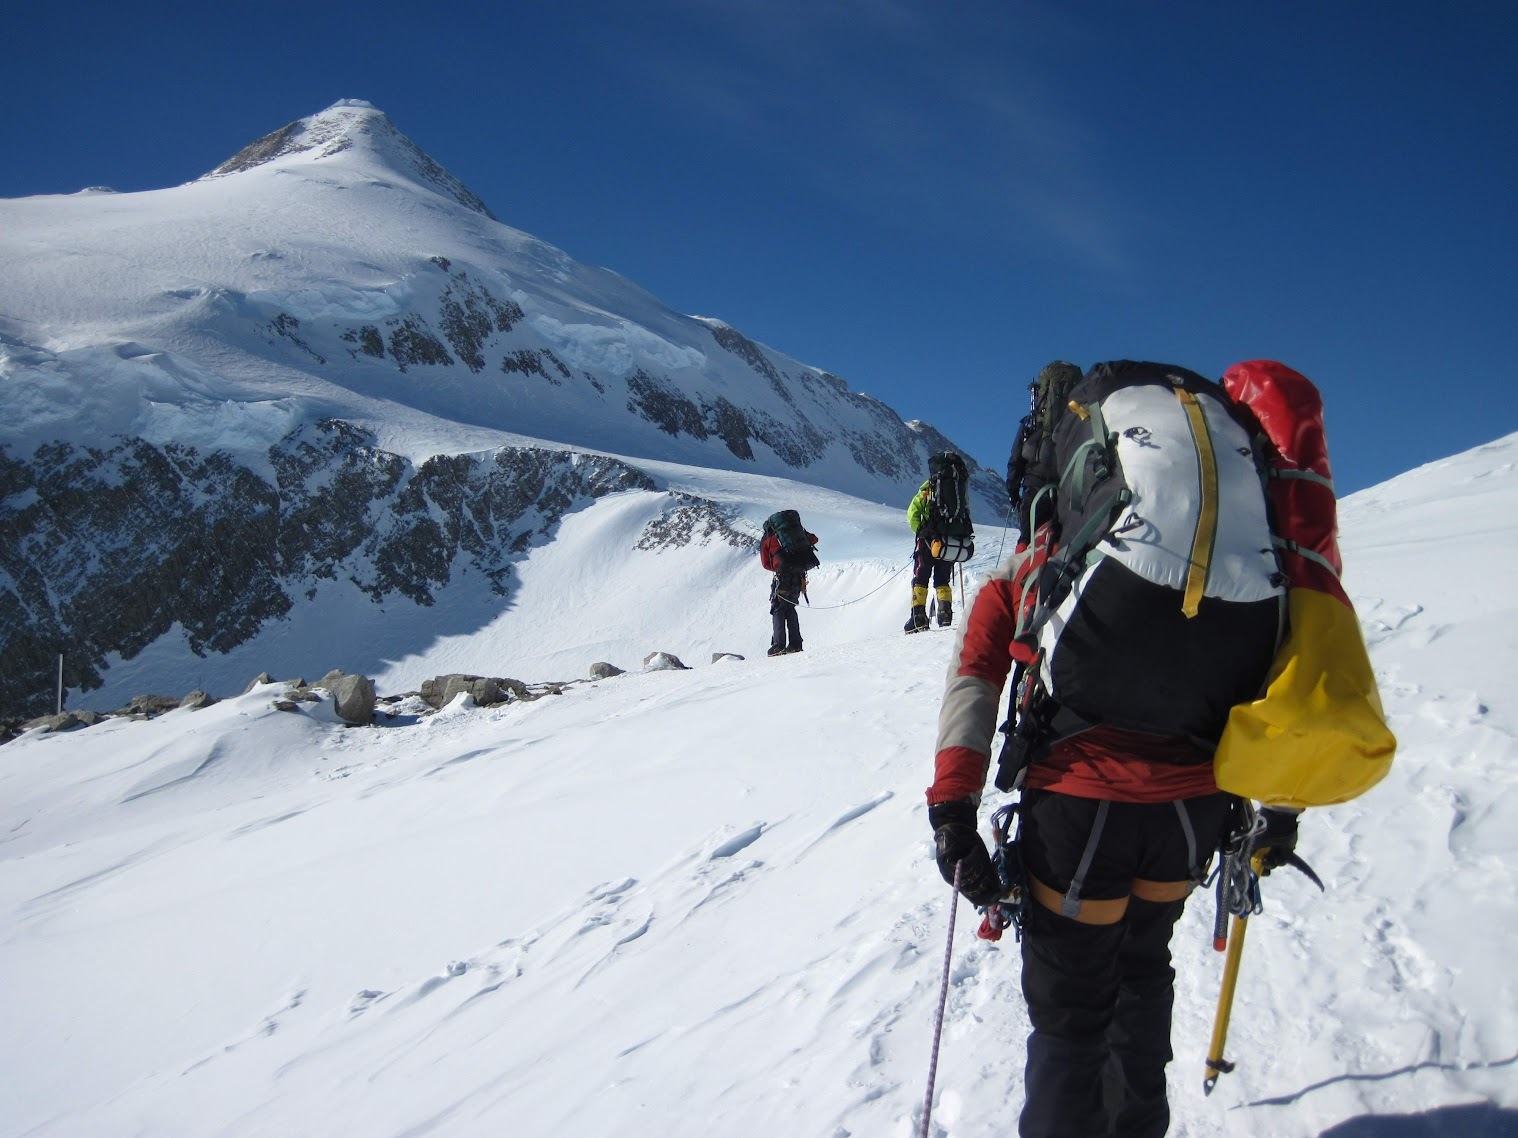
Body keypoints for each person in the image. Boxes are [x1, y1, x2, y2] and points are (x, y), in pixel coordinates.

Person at [926, 359, 1308, 1138]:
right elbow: (1291, 671)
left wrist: (952, 807)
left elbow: (976, 674)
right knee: (1142, 974)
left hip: (1078, 808)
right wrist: (1283, 807)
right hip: (1190, 812)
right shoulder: (1228, 553)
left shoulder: (1035, 569)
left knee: (1072, 1021)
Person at [760, 512, 817, 657]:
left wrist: (780, 566)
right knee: (790, 607)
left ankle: (778, 645)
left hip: (783, 577)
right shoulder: (794, 533)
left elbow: (766, 564)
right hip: (799, 576)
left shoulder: (769, 540)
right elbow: (814, 539)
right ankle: (795, 644)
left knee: (778, 609)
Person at [904, 479, 954, 632]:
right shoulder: (954, 493)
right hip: (949, 542)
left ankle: (918, 617)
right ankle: (945, 614)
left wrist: (922, 531)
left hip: (927, 542)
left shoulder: (925, 492)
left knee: (921, 577)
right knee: (942, 579)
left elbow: (912, 515)